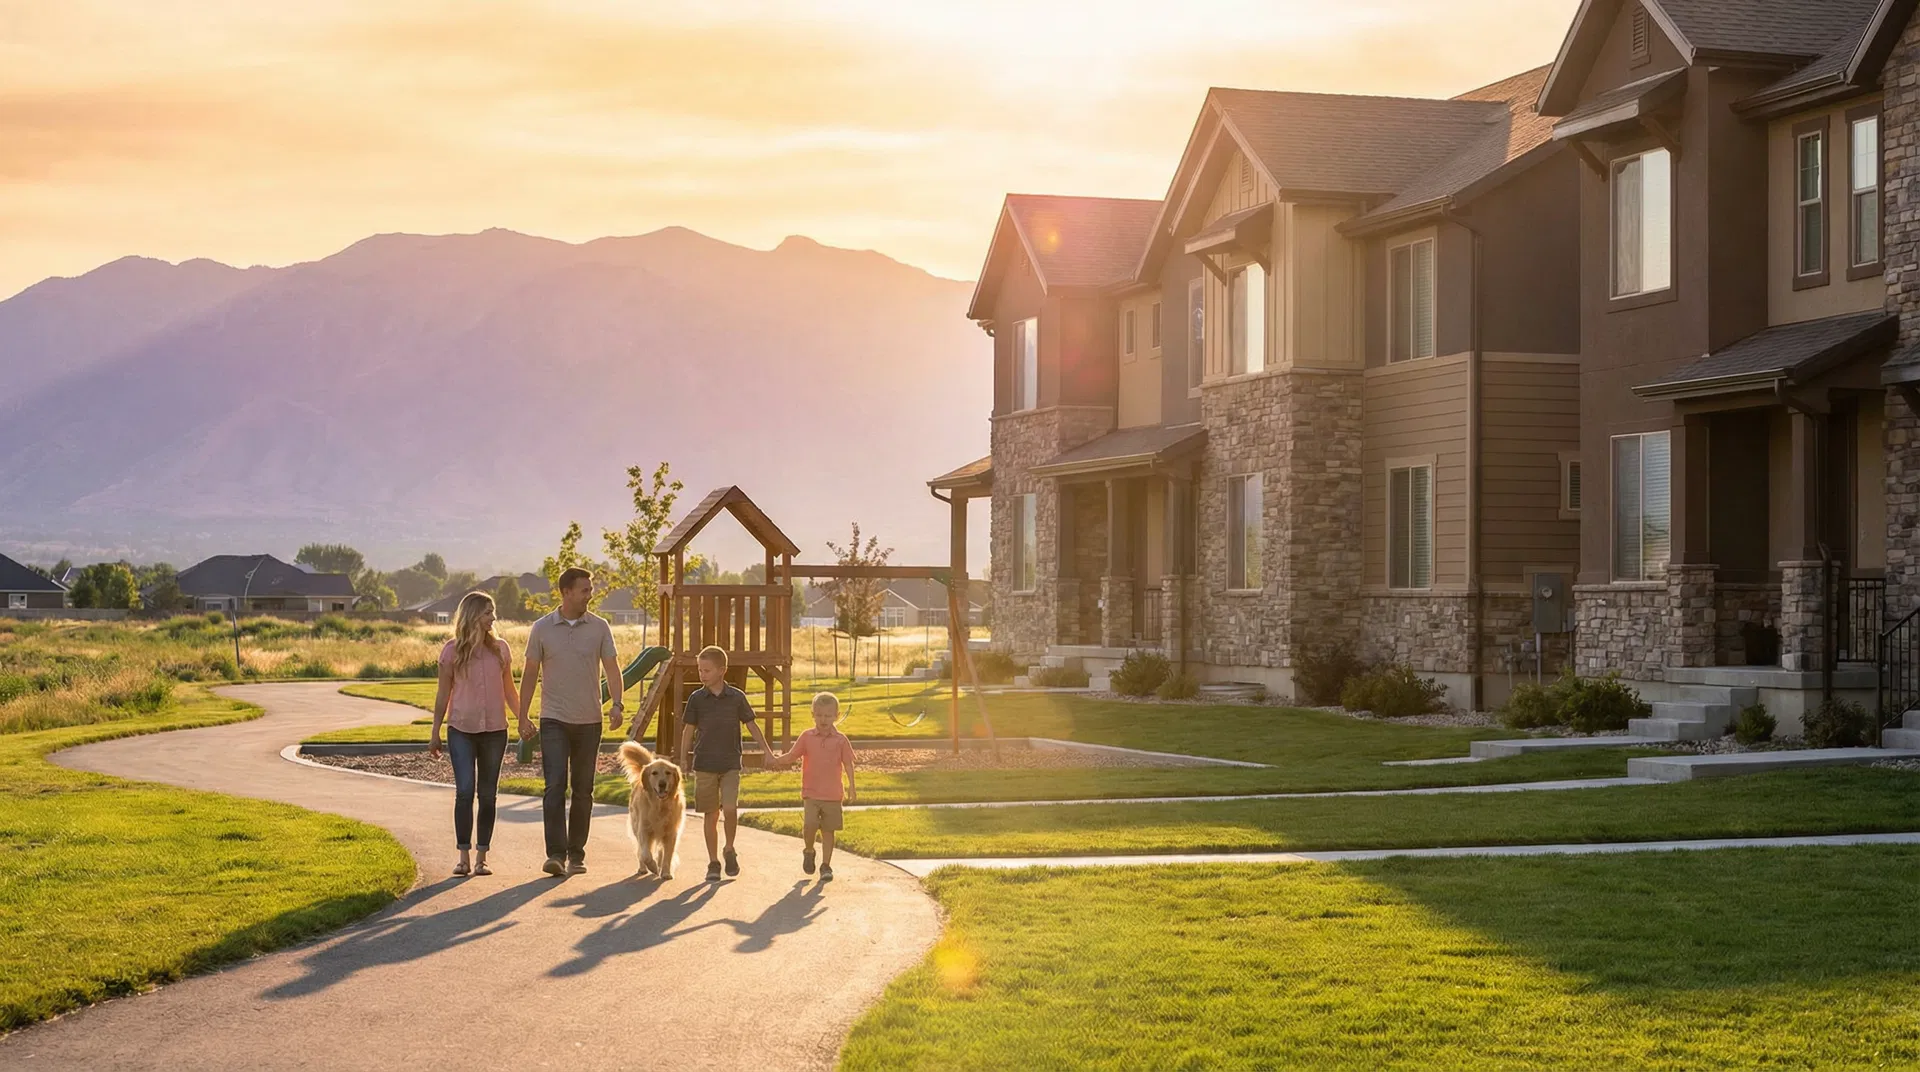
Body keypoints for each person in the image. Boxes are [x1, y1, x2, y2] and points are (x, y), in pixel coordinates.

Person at [517, 567, 623, 877]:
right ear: (566, 592)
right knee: (554, 786)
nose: (590, 595)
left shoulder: (600, 627)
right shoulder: (542, 628)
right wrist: (522, 715)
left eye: (590, 590)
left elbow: (612, 669)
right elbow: (529, 674)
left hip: (590, 720)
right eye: (584, 590)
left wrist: (617, 704)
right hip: (554, 719)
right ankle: (556, 854)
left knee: (583, 789)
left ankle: (576, 854)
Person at [429, 590, 515, 877]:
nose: (493, 618)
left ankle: (482, 858)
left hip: (495, 731)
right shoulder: (451, 652)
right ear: (473, 615)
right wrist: (435, 731)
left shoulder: (501, 649)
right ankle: (463, 857)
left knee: (488, 795)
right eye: (488, 612)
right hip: (461, 730)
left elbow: (509, 690)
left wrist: (524, 718)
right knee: (465, 791)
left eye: (493, 612)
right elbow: (443, 695)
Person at [677, 645, 776, 883]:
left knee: (730, 809)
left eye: (707, 670)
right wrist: (683, 758)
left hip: (731, 763)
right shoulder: (696, 699)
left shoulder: (737, 698)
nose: (702, 675)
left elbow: (752, 725)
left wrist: (767, 751)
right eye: (700, 670)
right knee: (710, 815)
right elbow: (688, 730)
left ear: (722, 670)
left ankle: (729, 848)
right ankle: (713, 862)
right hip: (704, 764)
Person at [765, 691, 857, 881]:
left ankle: (826, 866)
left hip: (833, 794)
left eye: (828, 715)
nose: (823, 719)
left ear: (836, 716)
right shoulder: (807, 737)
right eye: (819, 715)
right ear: (812, 714)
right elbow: (791, 756)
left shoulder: (841, 741)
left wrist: (852, 787)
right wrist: (776, 761)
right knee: (810, 825)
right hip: (811, 792)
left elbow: (848, 764)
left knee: (828, 830)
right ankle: (809, 850)